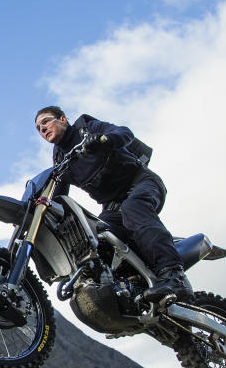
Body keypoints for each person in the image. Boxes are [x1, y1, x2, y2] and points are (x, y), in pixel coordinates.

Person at [34, 106, 192, 303]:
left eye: (46, 121)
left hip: (141, 183)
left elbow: (125, 133)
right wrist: (38, 210)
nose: (42, 128)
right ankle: (131, 287)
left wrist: (104, 140)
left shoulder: (88, 128)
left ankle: (173, 275)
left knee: (132, 208)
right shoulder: (61, 159)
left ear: (63, 119)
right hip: (112, 206)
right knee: (97, 236)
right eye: (39, 127)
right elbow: (58, 196)